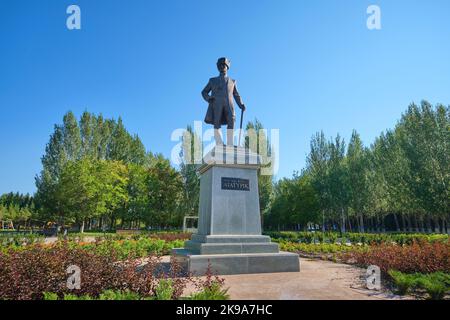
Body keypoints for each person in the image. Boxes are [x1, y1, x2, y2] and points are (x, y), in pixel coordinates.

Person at [202, 57, 246, 146]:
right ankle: (219, 143)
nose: (222, 67)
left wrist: (241, 104)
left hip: (229, 105)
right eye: (220, 65)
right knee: (216, 123)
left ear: (227, 67)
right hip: (216, 104)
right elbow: (204, 92)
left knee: (232, 121)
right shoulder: (212, 80)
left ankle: (230, 143)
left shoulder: (232, 81)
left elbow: (236, 95)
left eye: (224, 65)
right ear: (218, 67)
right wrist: (208, 98)